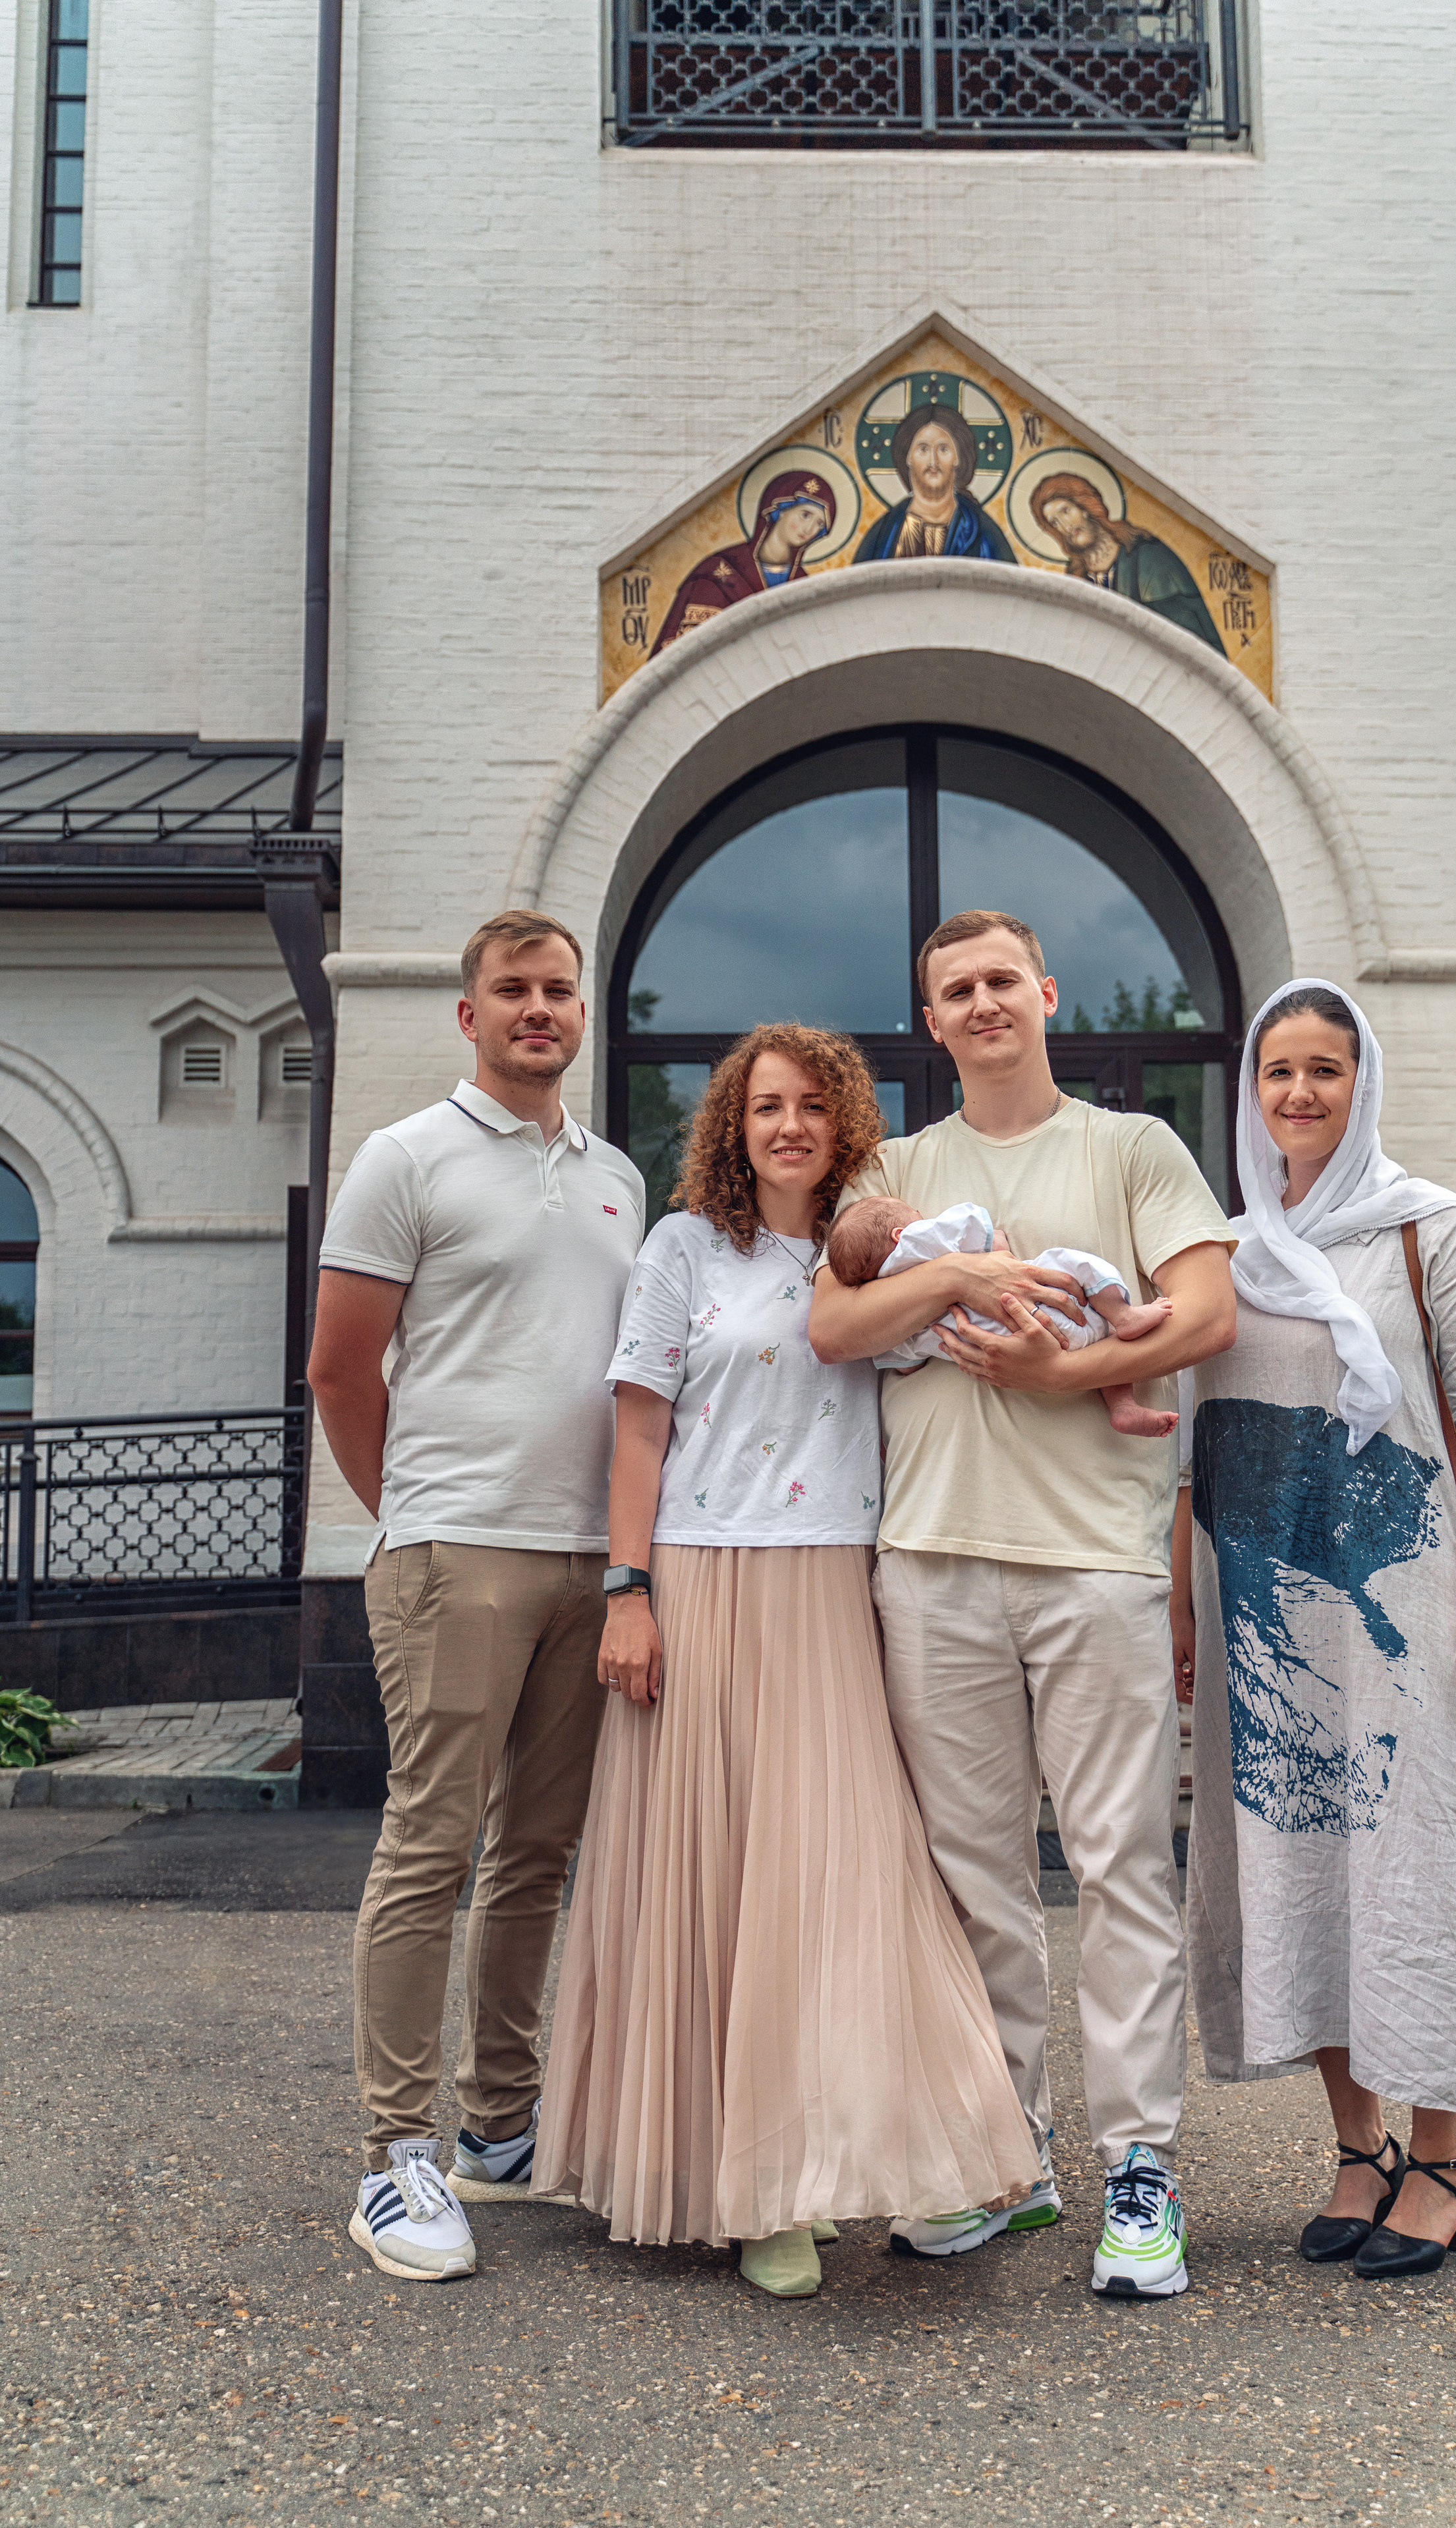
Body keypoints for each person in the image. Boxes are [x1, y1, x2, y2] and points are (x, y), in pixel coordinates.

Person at [532, 1023, 1039, 2297]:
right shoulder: (683, 1249)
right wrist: (628, 1592)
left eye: (813, 1105)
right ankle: (750, 2195)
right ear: (734, 1124)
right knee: (714, 1882)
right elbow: (636, 1432)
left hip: (833, 1586)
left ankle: (844, 2158)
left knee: (844, 1877)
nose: (790, 1125)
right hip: (698, 1581)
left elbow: (941, 1344)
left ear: (844, 1122)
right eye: (767, 1106)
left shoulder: (872, 1256)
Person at [807, 911, 1237, 2299]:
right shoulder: (895, 1170)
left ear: (1045, 994)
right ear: (930, 1020)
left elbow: (1204, 1311)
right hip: (931, 1558)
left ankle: (1140, 2167)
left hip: (1095, 1561)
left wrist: (1061, 1375)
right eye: (957, 989)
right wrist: (964, 1276)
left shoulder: (1133, 1148)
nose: (983, 1001)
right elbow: (832, 1324)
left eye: (1003, 979)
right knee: (974, 1874)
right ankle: (1008, 2154)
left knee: (1121, 1864)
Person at [308, 910, 644, 2284]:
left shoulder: (618, 1176)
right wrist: (420, 1512)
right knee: (431, 1843)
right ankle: (395, 2154)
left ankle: (497, 2127)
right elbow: (340, 1369)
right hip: (458, 1551)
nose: (537, 1008)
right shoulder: (406, 1158)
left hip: (588, 1558)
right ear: (470, 1014)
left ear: (581, 1012)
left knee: (537, 1852)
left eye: (558, 988)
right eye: (512, 989)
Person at [1178, 980, 1456, 2280]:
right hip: (1256, 1607)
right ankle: (1355, 2145)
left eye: (1324, 1069)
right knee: (1296, 1856)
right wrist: (1178, 1606)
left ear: (1361, 1081)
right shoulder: (1225, 1252)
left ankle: (1440, 2155)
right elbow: (1187, 1450)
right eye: (1277, 1071)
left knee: (1411, 1856)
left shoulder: (1430, 1230)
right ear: (1250, 1090)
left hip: (1407, 1607)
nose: (1299, 1093)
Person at [826, 1193, 1179, 1436]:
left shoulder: (896, 1319)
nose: (922, 1217)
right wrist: (993, 1243)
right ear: (900, 1234)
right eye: (915, 1214)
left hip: (1004, 1353)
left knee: (1097, 1344)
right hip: (1056, 1311)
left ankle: (1122, 1408)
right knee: (1070, 1263)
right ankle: (1122, 1315)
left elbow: (906, 1366)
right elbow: (993, 1240)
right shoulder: (917, 1242)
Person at [1028, 472, 1225, 656]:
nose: (1065, 526)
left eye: (1066, 511)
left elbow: (1186, 631)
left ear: (1086, 507)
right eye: (1055, 523)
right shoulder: (1077, 577)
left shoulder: (1148, 555)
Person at [652, 471, 836, 652]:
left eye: (819, 524)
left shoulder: (803, 585)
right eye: (805, 515)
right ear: (780, 509)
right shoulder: (718, 571)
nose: (809, 529)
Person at [853, 405, 1018, 563]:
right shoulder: (884, 534)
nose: (933, 462)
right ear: (908, 457)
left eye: (943, 449)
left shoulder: (982, 533)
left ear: (958, 458)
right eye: (923, 449)